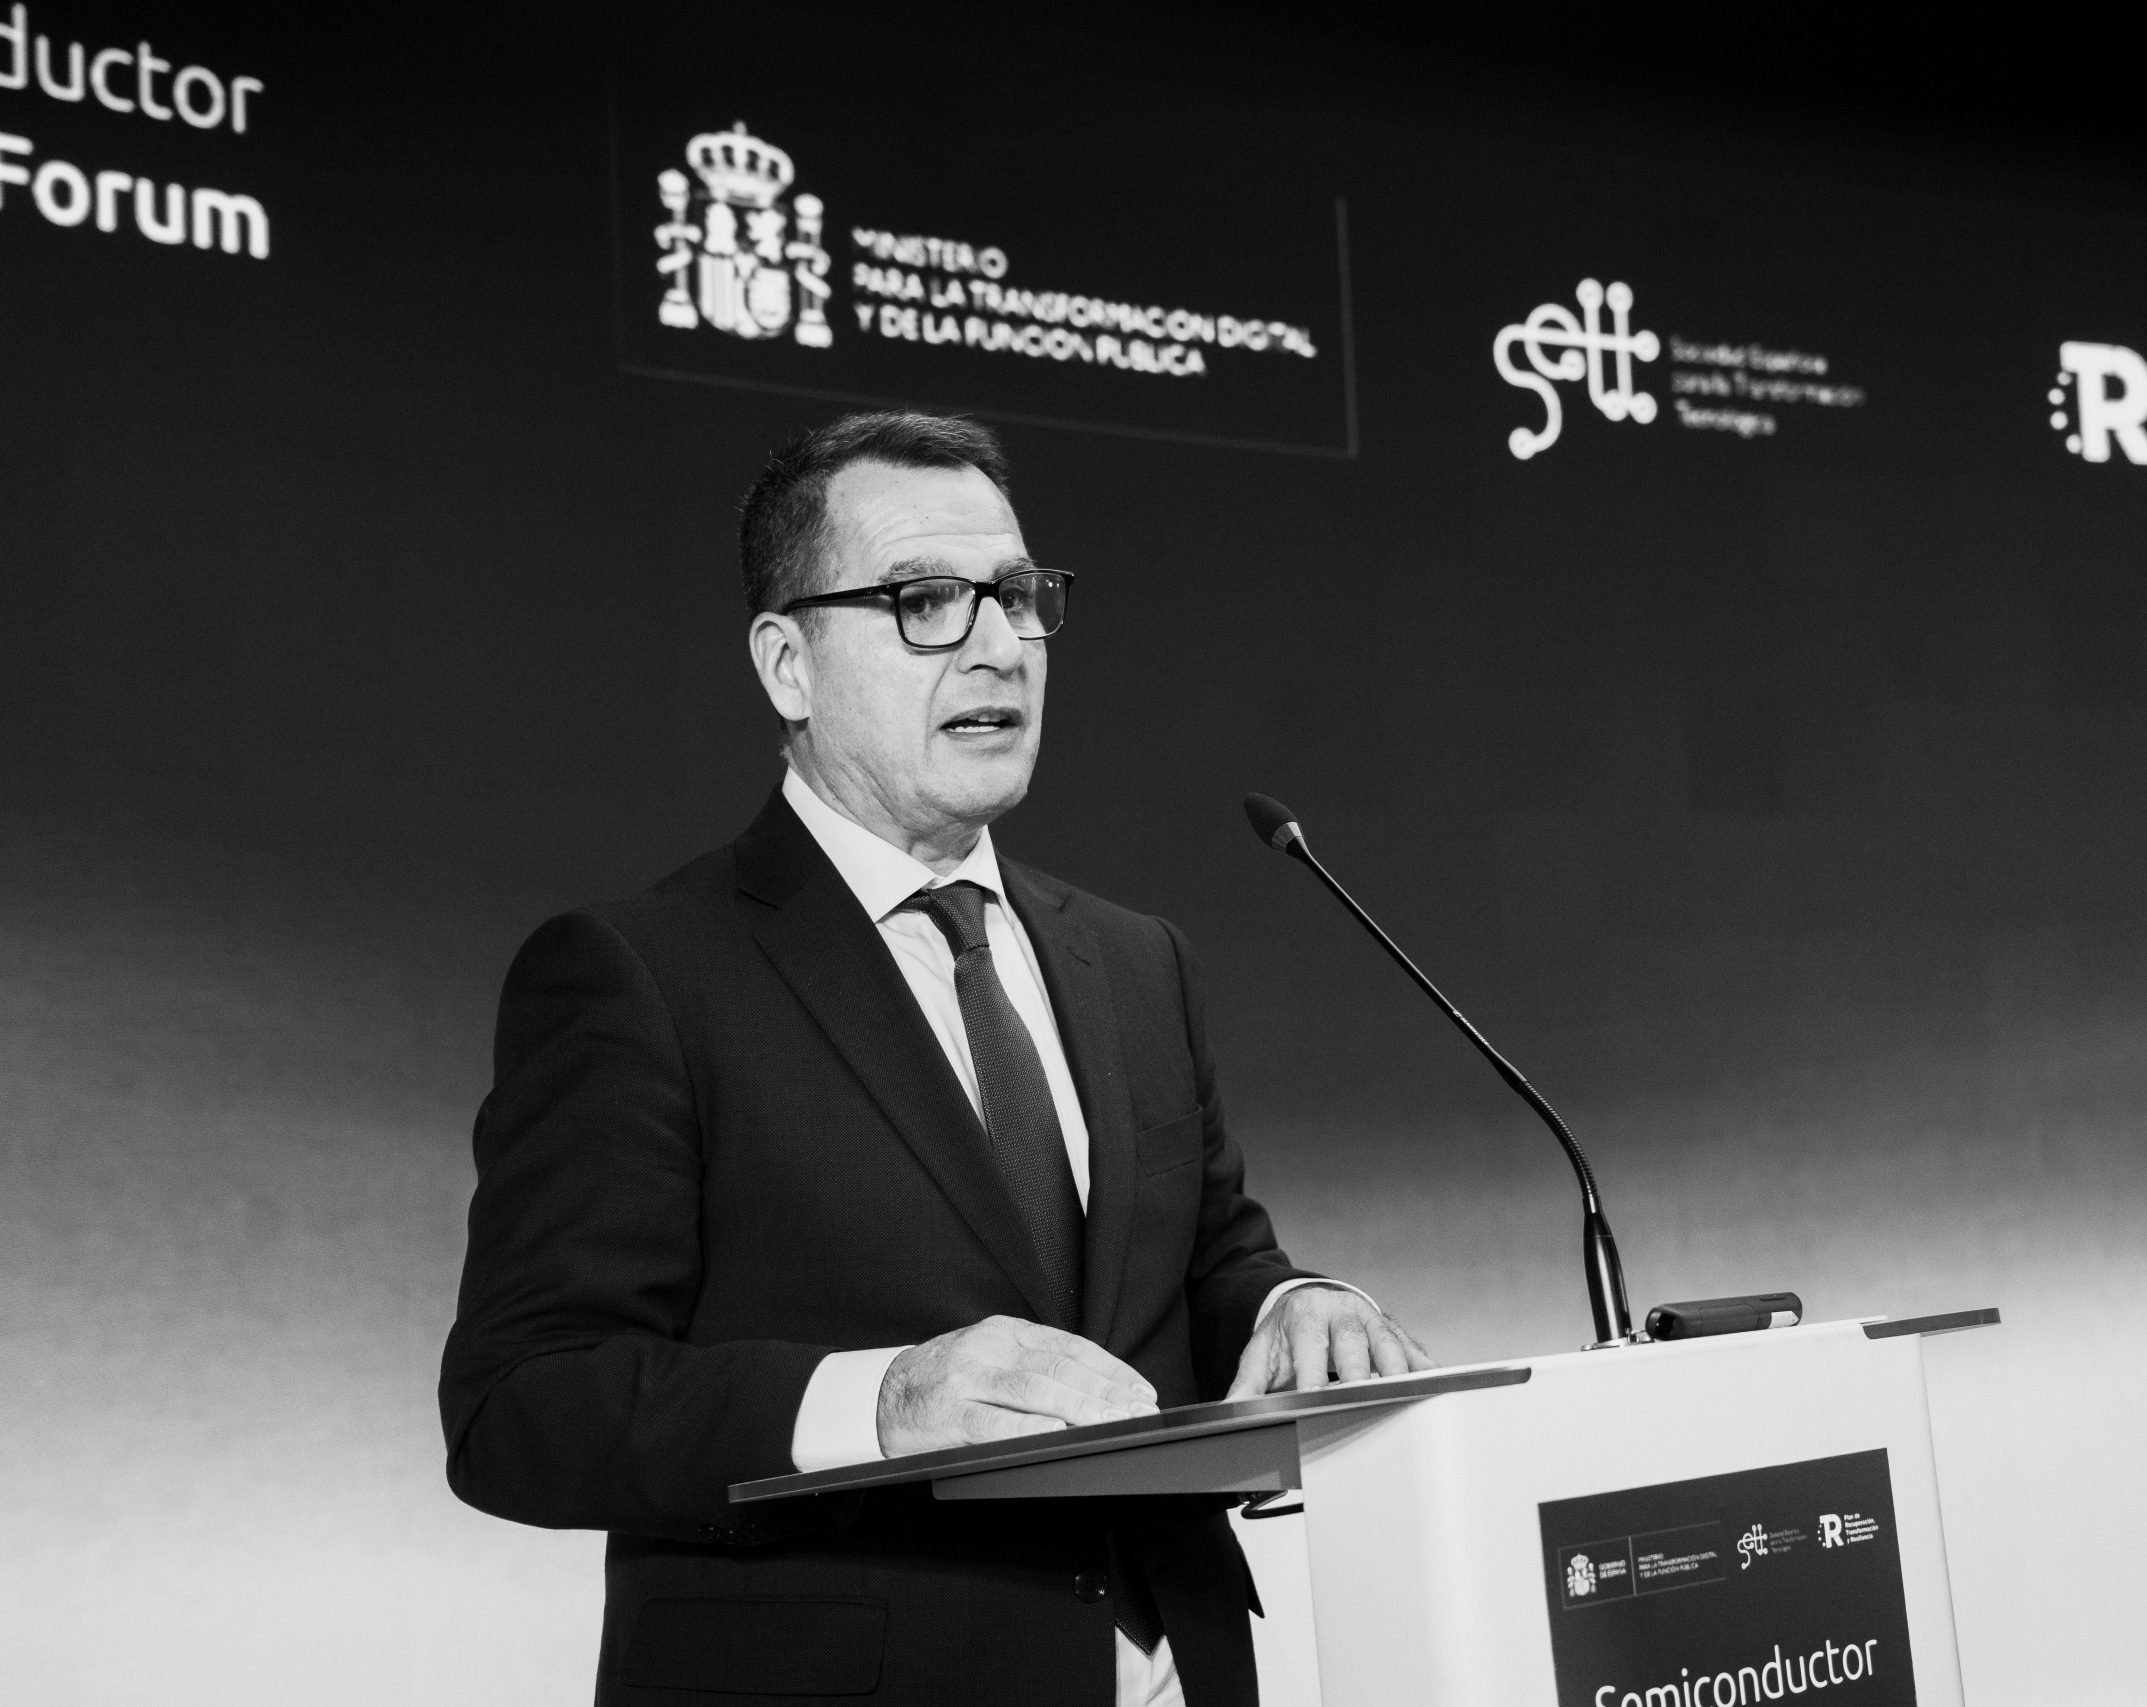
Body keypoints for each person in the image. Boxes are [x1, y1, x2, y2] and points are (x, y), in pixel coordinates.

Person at [438, 410, 1429, 1707]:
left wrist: (1294, 1303)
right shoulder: (643, 973)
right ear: (788, 665)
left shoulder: (1137, 961)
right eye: (923, 601)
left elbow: (1203, 1268)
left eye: (1017, 595)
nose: (999, 643)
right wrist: (878, 1404)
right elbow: (521, 1403)